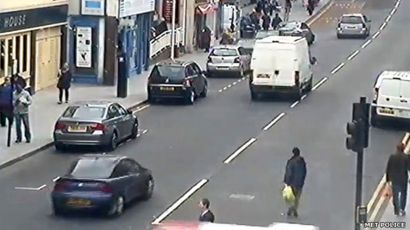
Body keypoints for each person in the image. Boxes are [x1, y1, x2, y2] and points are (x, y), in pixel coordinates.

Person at [385, 143, 410, 216]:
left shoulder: (392, 157)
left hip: (394, 179)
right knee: (403, 194)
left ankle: (396, 210)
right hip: (403, 179)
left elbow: (388, 168)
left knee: (395, 195)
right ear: (403, 149)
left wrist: (388, 179)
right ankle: (402, 209)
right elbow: (409, 168)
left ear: (397, 148)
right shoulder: (406, 157)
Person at [283, 147, 307, 217]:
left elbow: (289, 172)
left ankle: (291, 209)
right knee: (297, 197)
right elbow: (304, 172)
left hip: (292, 183)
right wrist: (302, 180)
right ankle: (294, 209)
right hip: (300, 183)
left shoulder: (291, 161)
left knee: (291, 197)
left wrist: (286, 181)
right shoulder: (302, 162)